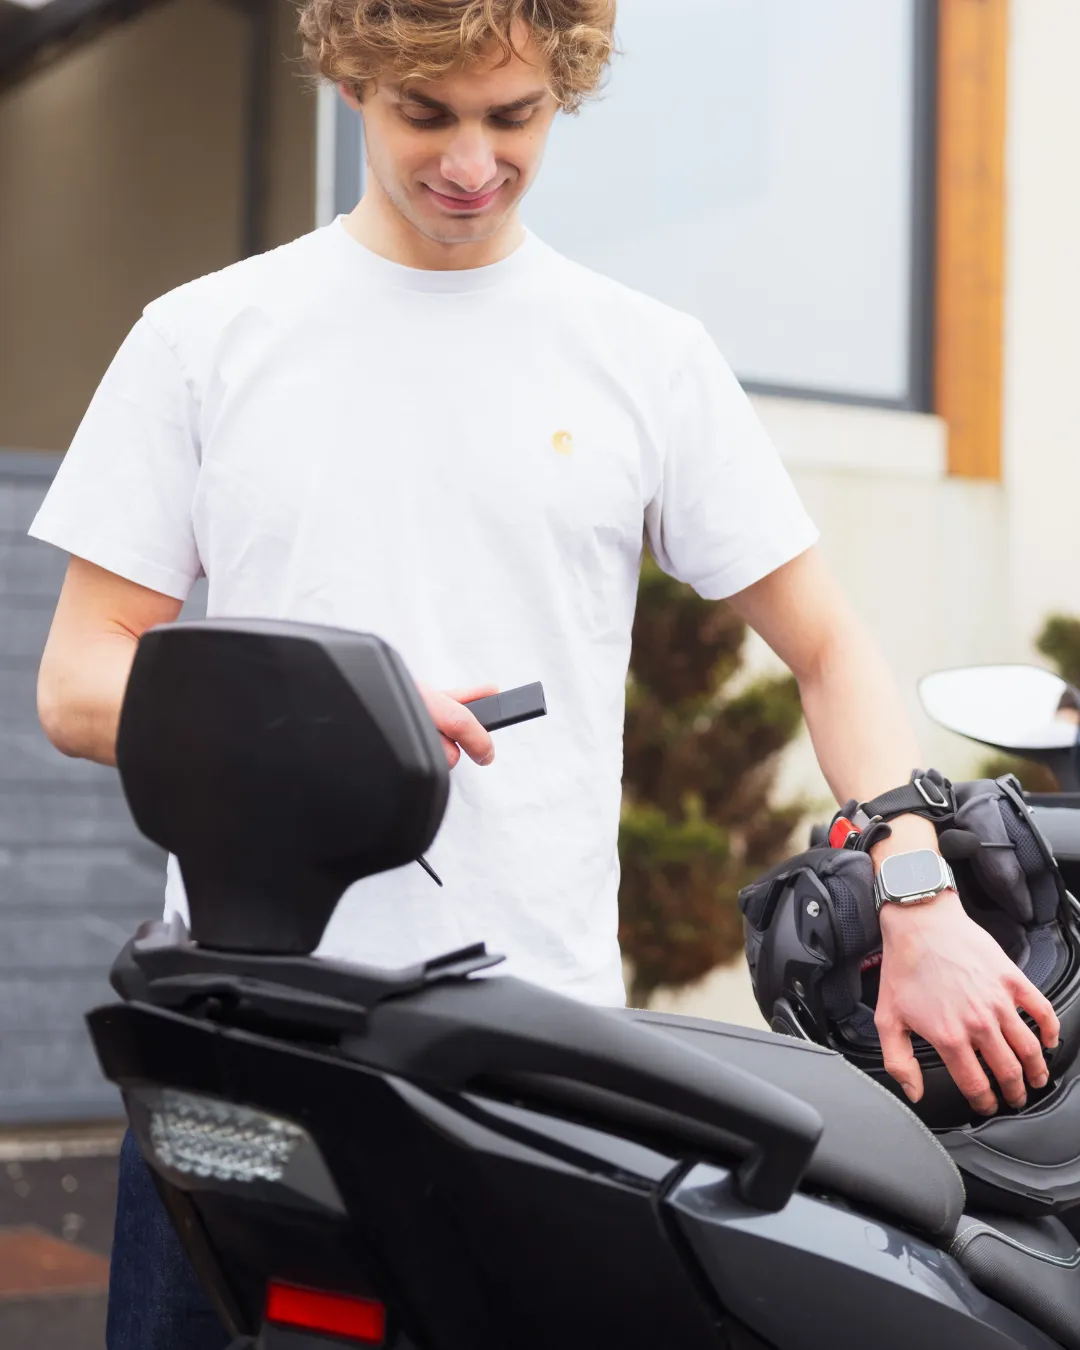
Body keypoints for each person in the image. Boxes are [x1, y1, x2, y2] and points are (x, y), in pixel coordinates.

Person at [29, 2, 1058, 1346]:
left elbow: (826, 644)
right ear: (350, 77)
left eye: (512, 118)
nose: (470, 160)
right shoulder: (206, 338)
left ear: (563, 88)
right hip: (250, 1046)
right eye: (426, 116)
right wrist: (332, 725)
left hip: (528, 1067)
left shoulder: (642, 358)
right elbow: (75, 680)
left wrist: (915, 889)